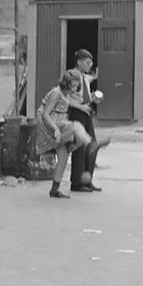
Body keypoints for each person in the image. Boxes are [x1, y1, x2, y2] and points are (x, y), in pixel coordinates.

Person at [36, 69, 95, 199]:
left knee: (63, 157)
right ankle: (90, 144)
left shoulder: (66, 94)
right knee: (76, 126)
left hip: (58, 122)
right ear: (66, 84)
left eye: (76, 86)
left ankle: (54, 190)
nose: (74, 89)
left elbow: (72, 103)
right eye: (72, 86)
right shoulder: (56, 94)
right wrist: (56, 129)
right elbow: (45, 114)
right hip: (49, 124)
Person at [67, 49, 105, 192]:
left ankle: (87, 179)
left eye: (91, 62)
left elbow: (90, 81)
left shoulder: (84, 77)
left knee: (92, 146)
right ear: (79, 62)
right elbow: (65, 98)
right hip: (77, 113)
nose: (91, 65)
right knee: (79, 148)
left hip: (86, 113)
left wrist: (94, 97)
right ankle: (77, 182)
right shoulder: (71, 76)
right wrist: (81, 107)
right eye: (88, 62)